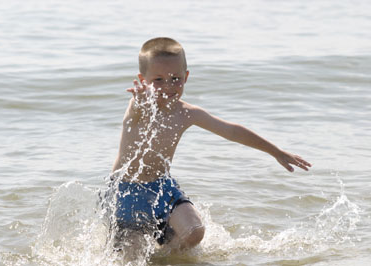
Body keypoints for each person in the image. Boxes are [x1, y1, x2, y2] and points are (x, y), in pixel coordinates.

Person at [108, 37, 311, 251]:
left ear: (186, 77)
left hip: (161, 188)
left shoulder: (186, 113)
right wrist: (140, 101)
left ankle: (168, 254)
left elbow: (231, 131)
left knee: (195, 231)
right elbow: (136, 108)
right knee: (131, 256)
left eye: (175, 78)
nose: (168, 86)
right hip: (126, 192)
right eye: (158, 80)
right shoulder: (138, 106)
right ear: (143, 80)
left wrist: (275, 151)